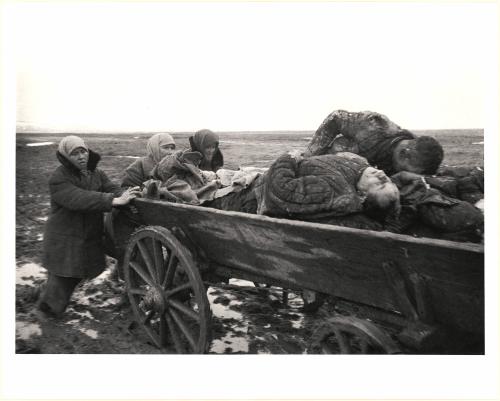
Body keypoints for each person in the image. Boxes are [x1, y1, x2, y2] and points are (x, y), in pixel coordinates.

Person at [38, 136, 141, 318]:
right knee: (62, 278)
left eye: (83, 151)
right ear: (65, 156)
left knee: (77, 272)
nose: (81, 156)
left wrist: (126, 195)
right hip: (65, 237)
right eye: (74, 153)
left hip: (87, 235)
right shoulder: (59, 177)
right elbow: (78, 198)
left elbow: (110, 187)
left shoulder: (97, 173)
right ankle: (46, 314)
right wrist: (113, 200)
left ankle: (48, 299)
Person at [256, 151, 400, 223]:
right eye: (386, 180)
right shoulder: (359, 173)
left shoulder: (333, 191)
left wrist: (289, 157)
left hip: (252, 194)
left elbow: (280, 190)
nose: (381, 173)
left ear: (363, 196)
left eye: (379, 184)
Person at [304, 110, 444, 176]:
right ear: (404, 155)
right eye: (406, 170)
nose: (406, 174)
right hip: (338, 158)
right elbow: (336, 118)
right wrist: (310, 156)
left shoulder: (418, 153)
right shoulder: (374, 125)